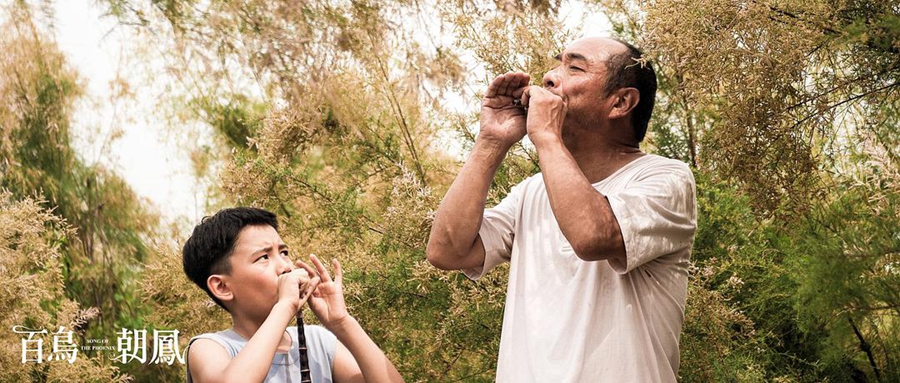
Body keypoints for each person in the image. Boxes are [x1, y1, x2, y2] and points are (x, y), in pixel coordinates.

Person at [426, 37, 697, 382]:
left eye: (575, 67)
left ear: (621, 102)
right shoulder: (531, 192)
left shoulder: (666, 179)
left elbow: (592, 237)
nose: (550, 77)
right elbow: (446, 251)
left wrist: (546, 136)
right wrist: (491, 141)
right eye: (557, 63)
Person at [182, 207, 404, 383]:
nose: (285, 267)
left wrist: (343, 323)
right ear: (222, 287)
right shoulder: (209, 348)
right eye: (264, 257)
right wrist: (285, 306)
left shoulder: (318, 341)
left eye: (284, 252)